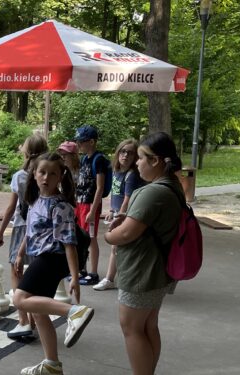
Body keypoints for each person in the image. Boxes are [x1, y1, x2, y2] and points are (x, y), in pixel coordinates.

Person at [104, 132, 182, 375]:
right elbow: (147, 222)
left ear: (156, 161)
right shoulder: (171, 186)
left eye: (140, 158)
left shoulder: (152, 192)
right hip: (157, 270)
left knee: (132, 328)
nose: (136, 163)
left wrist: (109, 236)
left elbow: (126, 234)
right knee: (148, 326)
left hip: (142, 272)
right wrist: (130, 218)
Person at [12, 152, 94, 375]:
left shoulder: (60, 206)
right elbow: (29, 233)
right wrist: (20, 255)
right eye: (42, 172)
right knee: (38, 311)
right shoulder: (35, 201)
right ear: (34, 174)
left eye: (52, 173)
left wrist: (75, 276)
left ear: (60, 177)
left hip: (54, 258)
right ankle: (52, 365)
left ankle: (74, 312)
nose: (46, 177)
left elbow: (69, 243)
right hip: (41, 257)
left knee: (20, 299)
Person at [0, 134, 47, 339]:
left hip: (21, 228)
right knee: (35, 274)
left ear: (26, 151)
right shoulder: (45, 174)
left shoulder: (20, 176)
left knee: (16, 273)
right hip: (40, 230)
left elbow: (11, 208)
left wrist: (0, 231)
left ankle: (23, 320)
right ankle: (34, 319)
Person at [95, 139, 145, 291]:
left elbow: (127, 199)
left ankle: (110, 279)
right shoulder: (117, 171)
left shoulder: (131, 175)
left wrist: (119, 216)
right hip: (118, 213)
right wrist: (111, 210)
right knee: (118, 248)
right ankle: (121, 278)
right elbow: (115, 193)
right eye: (123, 151)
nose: (125, 155)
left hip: (127, 215)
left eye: (130, 153)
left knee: (117, 247)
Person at [74, 125, 109, 285]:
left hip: (90, 205)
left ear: (92, 142)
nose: (79, 144)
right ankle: (83, 269)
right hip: (80, 203)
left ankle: (93, 273)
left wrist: (93, 210)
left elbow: (100, 187)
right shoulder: (84, 159)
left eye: (82, 141)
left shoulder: (98, 159)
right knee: (81, 237)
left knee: (92, 238)